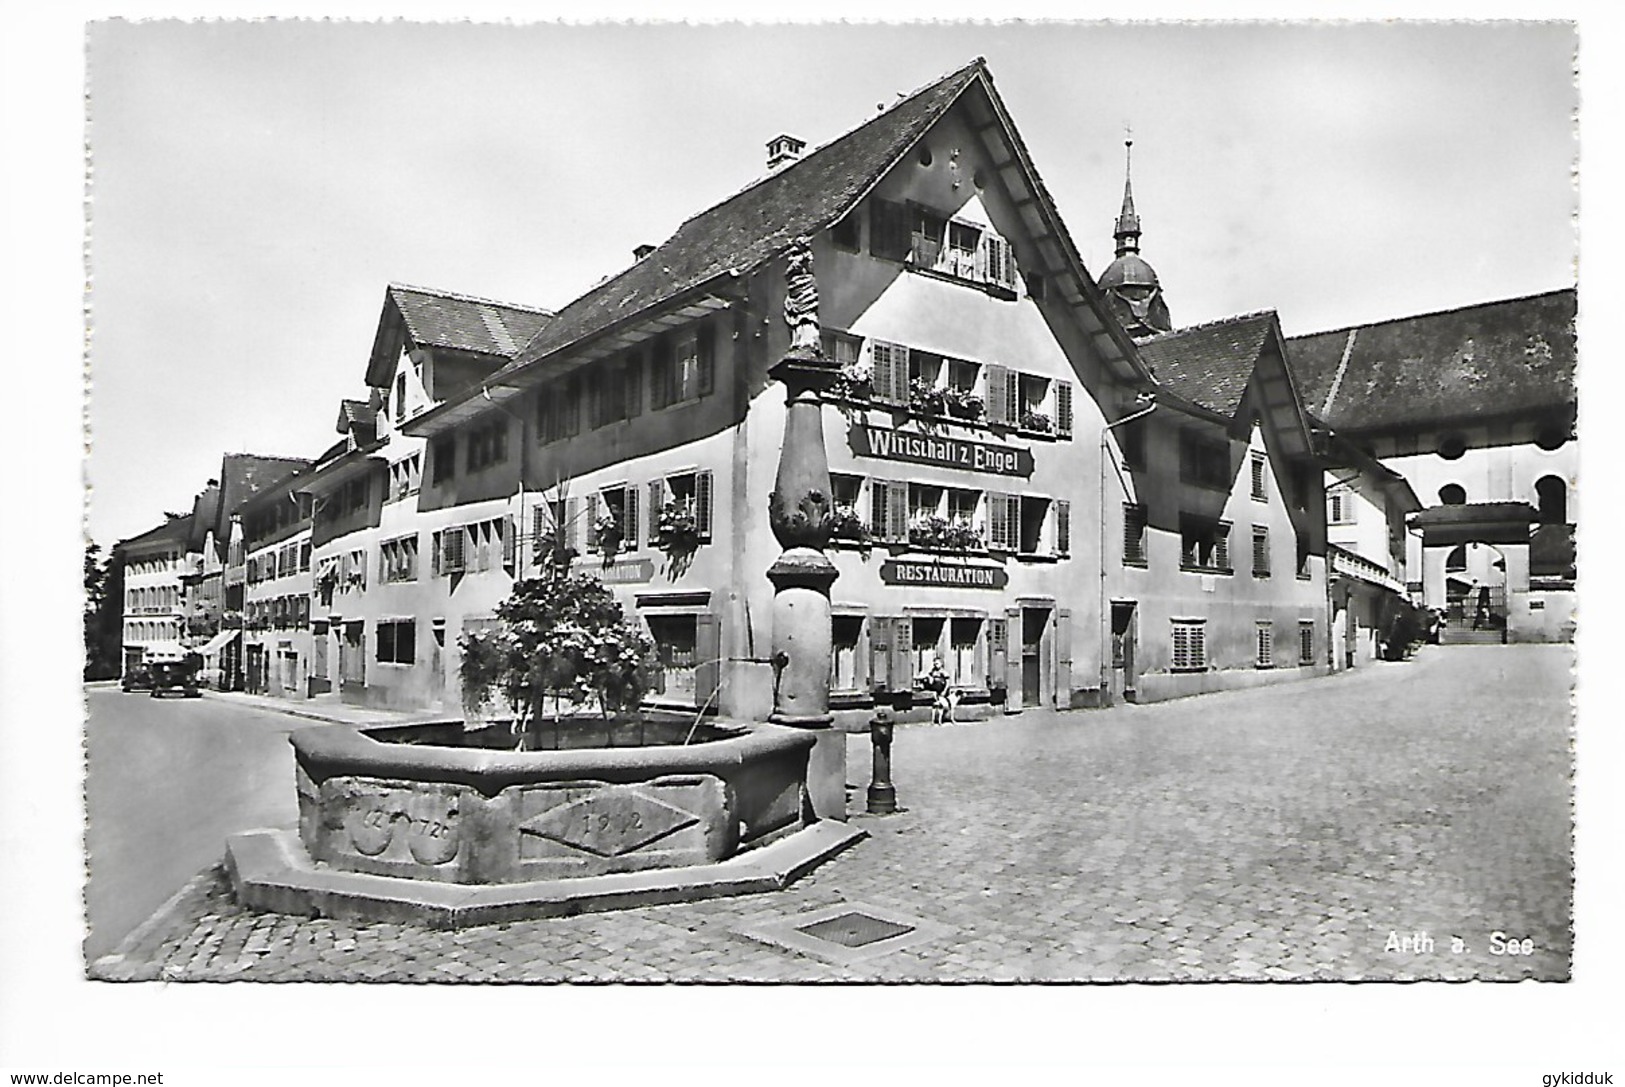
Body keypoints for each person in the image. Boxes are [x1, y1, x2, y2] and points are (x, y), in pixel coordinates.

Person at [926, 660, 956, 724]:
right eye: (934, 664)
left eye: (937, 663)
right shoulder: (933, 672)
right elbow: (930, 679)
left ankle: (950, 718)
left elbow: (947, 683)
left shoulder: (944, 672)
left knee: (947, 706)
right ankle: (934, 720)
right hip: (936, 691)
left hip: (943, 690)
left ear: (941, 664)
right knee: (936, 705)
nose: (935, 665)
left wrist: (944, 691)